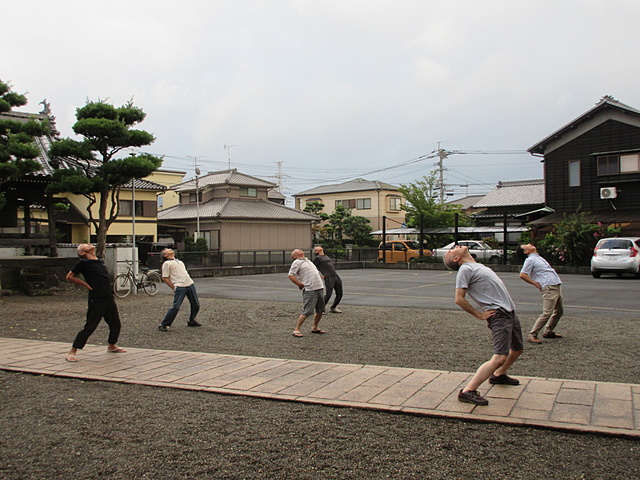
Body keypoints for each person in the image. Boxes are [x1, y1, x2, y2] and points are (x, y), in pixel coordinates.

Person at [444, 245, 523, 406]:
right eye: (451, 251)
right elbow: (459, 299)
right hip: (499, 315)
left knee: (517, 349)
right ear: (456, 259)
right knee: (499, 357)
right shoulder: (465, 270)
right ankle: (468, 391)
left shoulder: (476, 266)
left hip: (509, 312)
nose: (454, 247)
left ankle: (498, 375)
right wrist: (479, 315)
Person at [65, 244, 126, 362]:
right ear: (82, 253)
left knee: (115, 324)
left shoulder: (99, 261)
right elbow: (69, 277)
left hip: (108, 297)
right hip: (97, 299)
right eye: (85, 245)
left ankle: (112, 345)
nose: (89, 244)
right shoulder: (82, 263)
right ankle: (72, 351)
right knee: (90, 326)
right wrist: (85, 284)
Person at [517, 243, 564, 344]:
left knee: (559, 311)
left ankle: (548, 331)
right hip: (549, 286)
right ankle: (532, 334)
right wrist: (535, 283)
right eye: (526, 245)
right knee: (547, 313)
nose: (529, 244)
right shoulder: (530, 260)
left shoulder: (537, 257)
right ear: (526, 252)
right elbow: (522, 274)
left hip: (555, 284)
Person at [158, 248, 201, 331]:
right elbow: (165, 277)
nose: (169, 249)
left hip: (189, 283)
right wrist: (173, 286)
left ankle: (191, 321)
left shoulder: (180, 262)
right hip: (180, 286)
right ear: (165, 255)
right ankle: (164, 324)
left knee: (196, 305)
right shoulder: (167, 263)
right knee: (176, 306)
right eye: (166, 250)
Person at [288, 249, 326, 337]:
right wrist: (299, 284)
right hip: (310, 289)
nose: (300, 250)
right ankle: (296, 329)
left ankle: (315, 327)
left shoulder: (308, 261)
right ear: (295, 256)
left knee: (320, 310)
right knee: (307, 310)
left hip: (319, 287)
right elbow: (290, 275)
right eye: (297, 251)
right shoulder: (297, 262)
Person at [312, 246, 343, 313]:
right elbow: (313, 268)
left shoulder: (326, 256)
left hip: (335, 275)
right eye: (316, 248)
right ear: (316, 251)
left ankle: (333, 307)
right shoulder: (317, 258)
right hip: (328, 276)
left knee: (340, 293)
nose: (319, 247)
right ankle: (320, 309)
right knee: (328, 293)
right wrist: (319, 275)